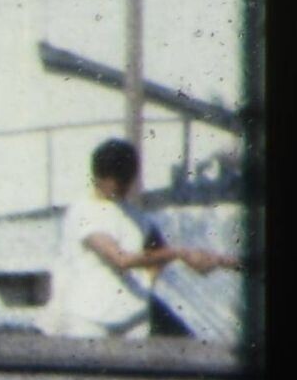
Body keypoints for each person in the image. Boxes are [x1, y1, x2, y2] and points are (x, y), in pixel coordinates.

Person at [64, 138, 232, 336]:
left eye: (127, 178)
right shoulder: (84, 211)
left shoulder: (137, 217)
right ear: (99, 176)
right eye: (118, 180)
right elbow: (121, 259)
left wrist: (207, 259)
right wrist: (180, 253)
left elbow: (159, 251)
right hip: (90, 319)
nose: (123, 185)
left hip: (135, 317)